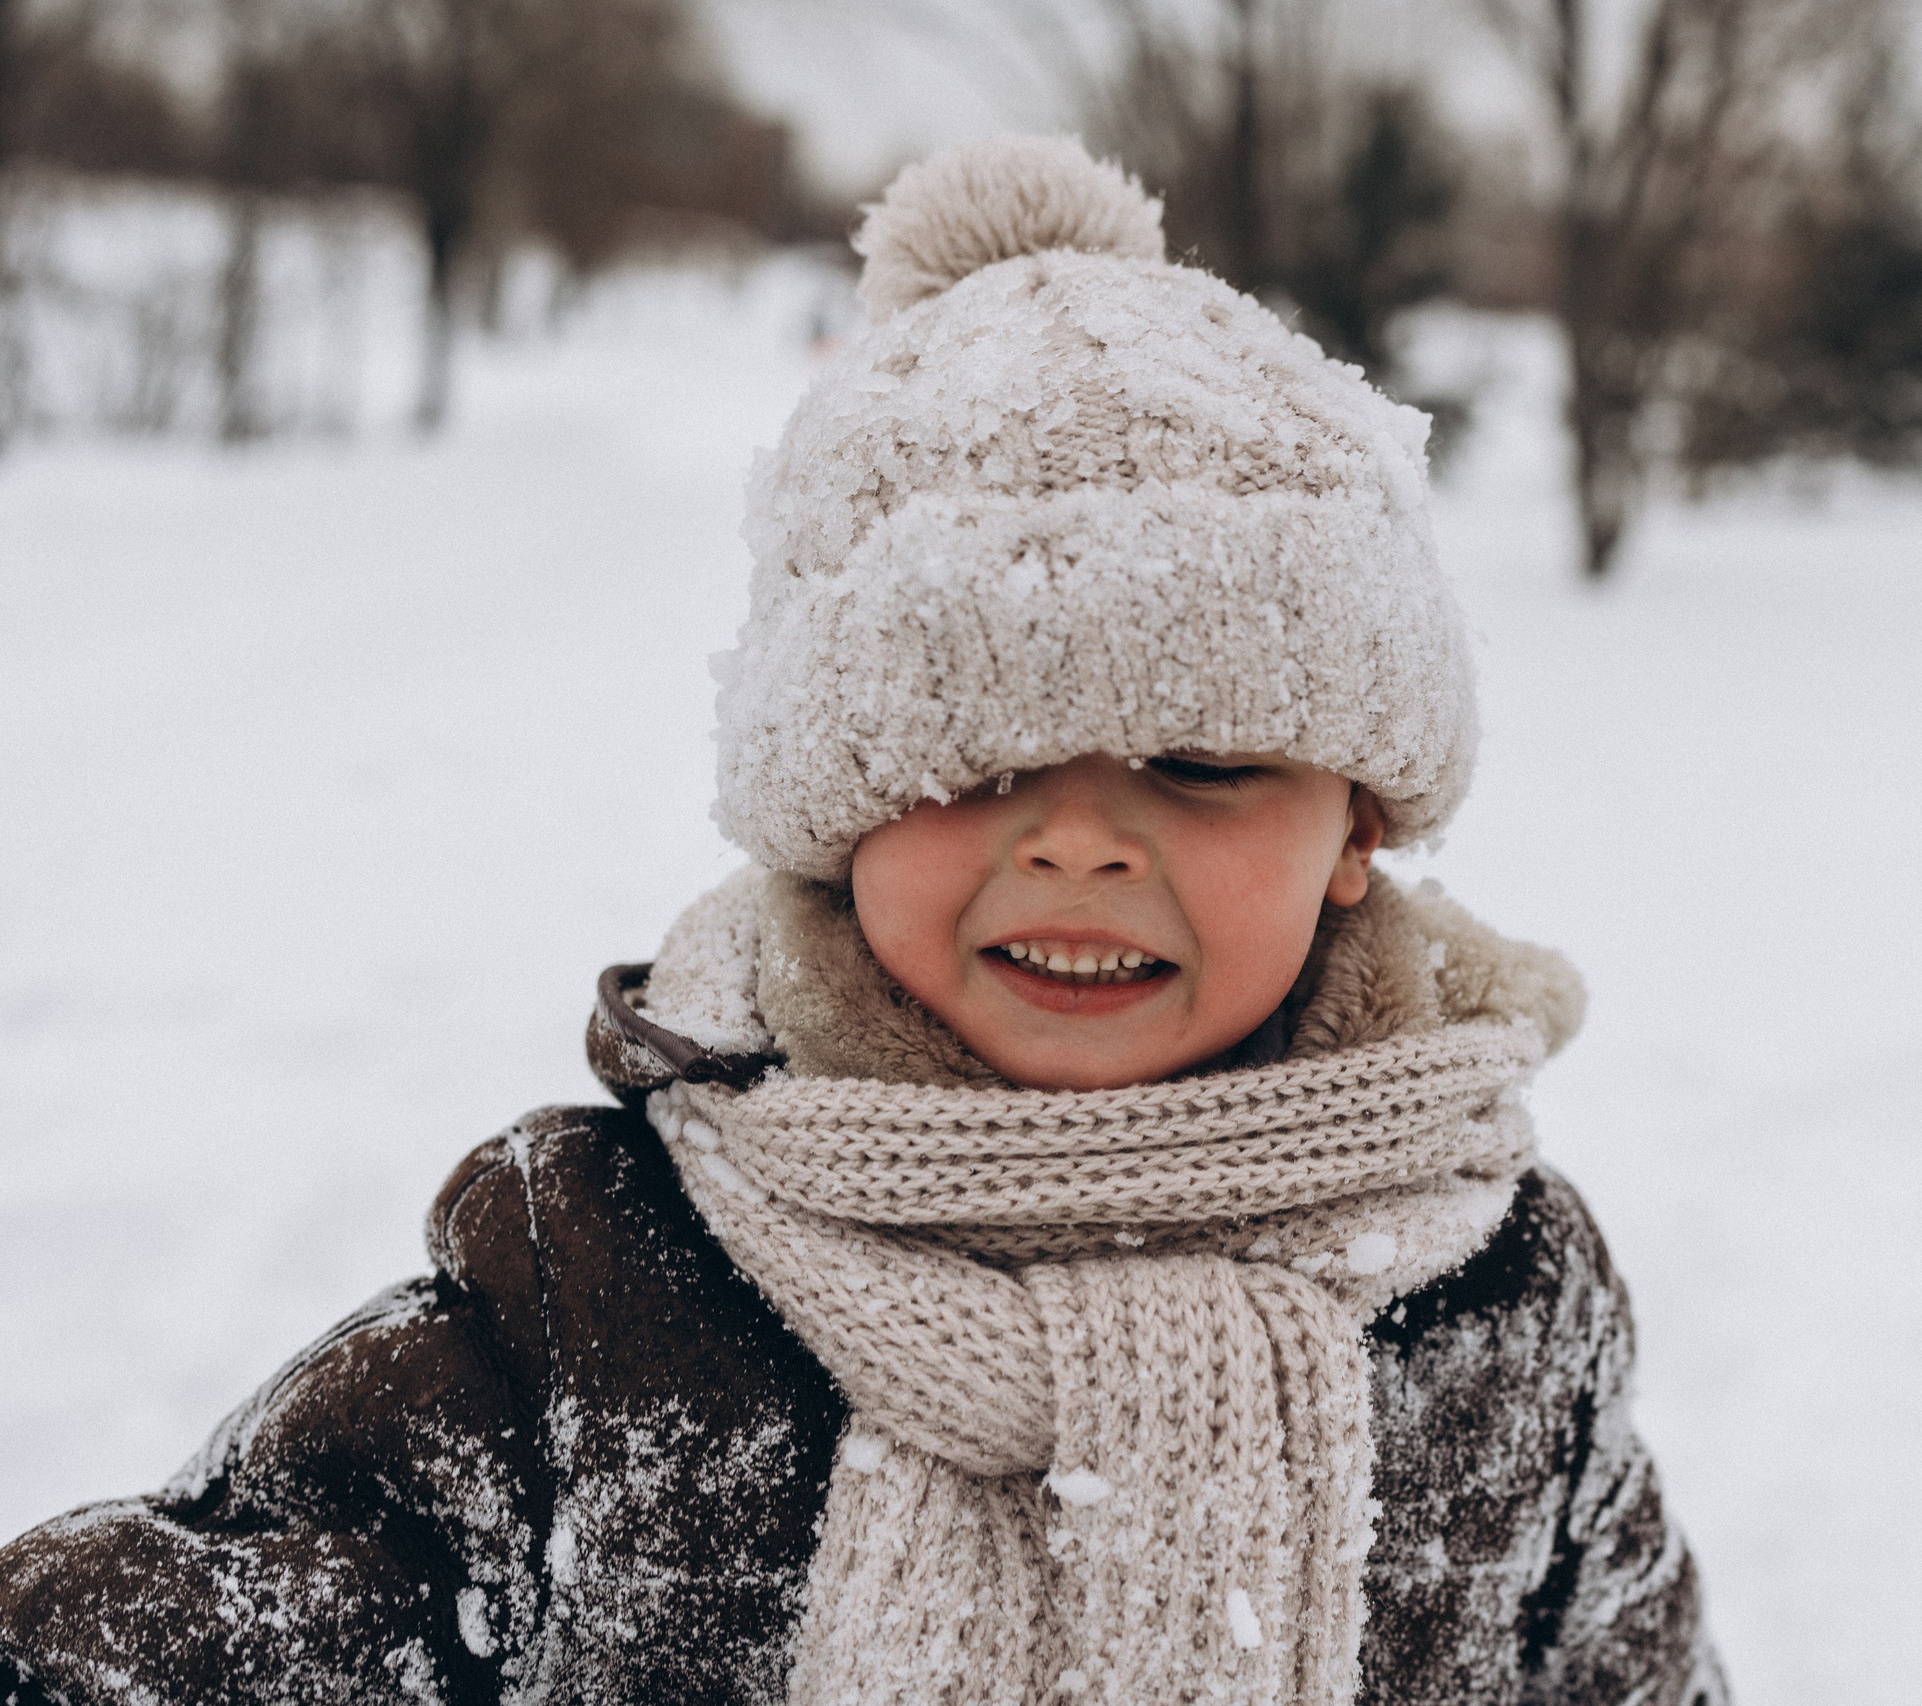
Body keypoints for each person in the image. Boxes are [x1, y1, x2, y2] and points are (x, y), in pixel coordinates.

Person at [0, 135, 1726, 1706]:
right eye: (970, 768)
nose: (1077, 846)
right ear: (832, 819)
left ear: (1356, 827)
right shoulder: (607, 1275)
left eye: (1198, 764)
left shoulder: (1502, 1288)